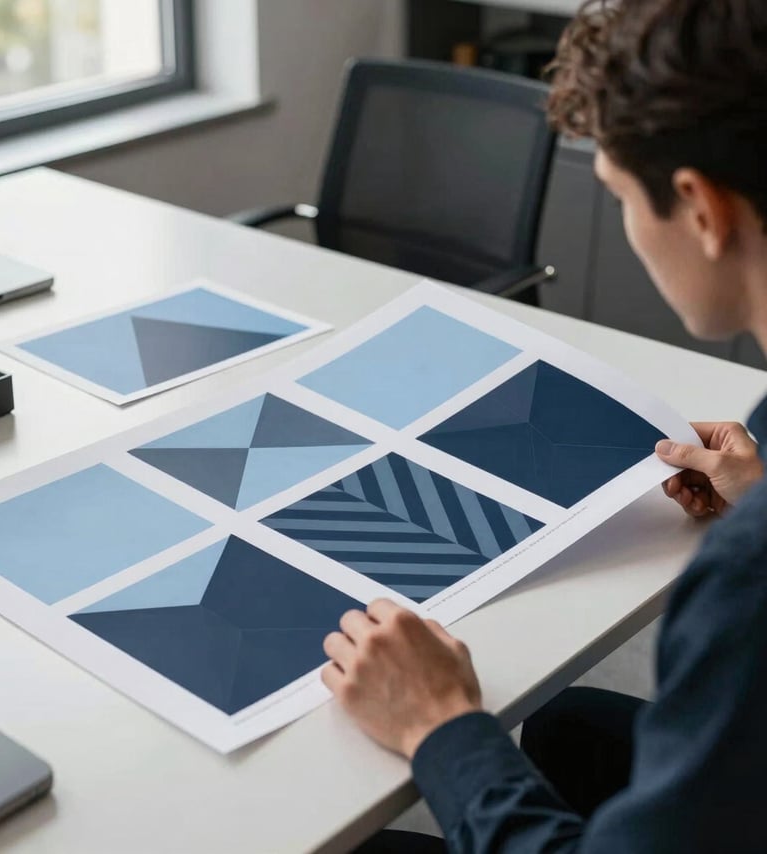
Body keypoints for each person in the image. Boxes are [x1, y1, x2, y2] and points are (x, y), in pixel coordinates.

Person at [320, 0, 767, 851]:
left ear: (700, 209)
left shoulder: (745, 584)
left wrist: (439, 723)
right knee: (567, 727)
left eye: (618, 196)